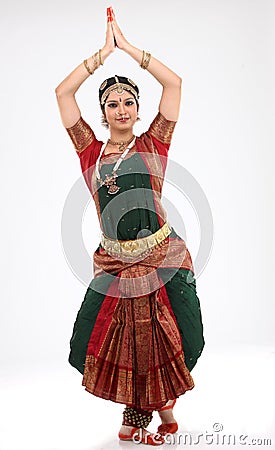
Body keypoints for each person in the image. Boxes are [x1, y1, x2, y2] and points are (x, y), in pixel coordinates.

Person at [55, 7, 204, 446]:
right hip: (117, 264)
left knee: (169, 333)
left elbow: (174, 84)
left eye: (128, 101)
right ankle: (144, 416)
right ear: (103, 113)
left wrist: (129, 50)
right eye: (112, 103)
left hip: (160, 256)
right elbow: (62, 95)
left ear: (138, 109)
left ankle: (159, 408)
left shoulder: (154, 142)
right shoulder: (91, 154)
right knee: (114, 337)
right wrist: (102, 56)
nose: (121, 108)